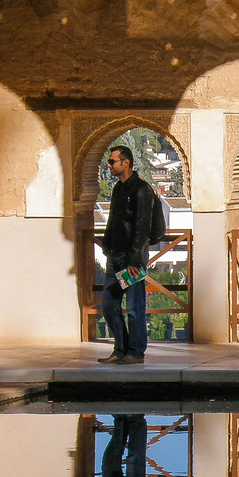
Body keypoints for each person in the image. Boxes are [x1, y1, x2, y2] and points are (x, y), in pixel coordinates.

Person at [99, 145, 154, 365]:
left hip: (132, 259)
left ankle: (136, 352)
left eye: (113, 162)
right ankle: (120, 349)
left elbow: (142, 228)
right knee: (109, 305)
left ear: (126, 163)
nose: (110, 166)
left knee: (134, 306)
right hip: (115, 256)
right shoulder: (118, 189)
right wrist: (107, 247)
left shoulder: (141, 190)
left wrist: (134, 260)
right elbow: (113, 221)